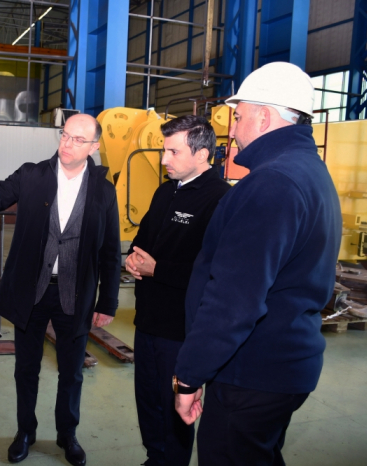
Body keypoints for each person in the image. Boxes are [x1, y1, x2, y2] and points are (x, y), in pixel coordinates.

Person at [173, 61, 342, 465]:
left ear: (264, 117)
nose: (232, 128)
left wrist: (190, 374)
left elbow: (234, 300)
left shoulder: (271, 184)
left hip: (251, 372)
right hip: (280, 367)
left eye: (238, 115)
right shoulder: (309, 172)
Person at [0, 113, 121, 466]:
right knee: (26, 368)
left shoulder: (103, 191)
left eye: (78, 140)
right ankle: (25, 432)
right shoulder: (33, 175)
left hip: (74, 296)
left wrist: (108, 301)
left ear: (94, 147)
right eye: (65, 135)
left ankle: (68, 434)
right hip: (31, 292)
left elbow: (110, 250)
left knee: (72, 371)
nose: (67, 143)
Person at [126, 115, 230, 466]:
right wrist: (132, 257)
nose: (163, 159)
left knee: (174, 405)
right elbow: (143, 239)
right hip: (148, 319)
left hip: (182, 328)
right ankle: (155, 458)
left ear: (201, 154)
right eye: (163, 150)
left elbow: (216, 273)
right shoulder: (165, 190)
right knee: (148, 400)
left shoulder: (220, 200)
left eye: (173, 151)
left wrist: (158, 269)